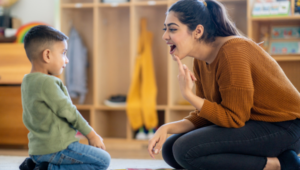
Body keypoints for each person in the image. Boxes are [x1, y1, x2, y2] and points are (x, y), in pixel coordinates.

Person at [148, 0, 300, 169]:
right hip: (253, 124)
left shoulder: (232, 52)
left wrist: (189, 95)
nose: (165, 36)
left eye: (172, 29)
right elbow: (209, 114)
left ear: (198, 31)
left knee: (185, 149)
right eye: (165, 29)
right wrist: (167, 127)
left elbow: (234, 118)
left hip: (285, 128)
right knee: (170, 149)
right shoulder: (201, 60)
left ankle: (280, 164)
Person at [19, 25, 111, 170]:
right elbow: (70, 112)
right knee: (103, 160)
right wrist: (92, 136)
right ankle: (49, 169)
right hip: (57, 149)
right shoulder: (47, 82)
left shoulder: (27, 81)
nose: (66, 60)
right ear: (47, 55)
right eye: (63, 53)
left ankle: (35, 165)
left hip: (37, 151)